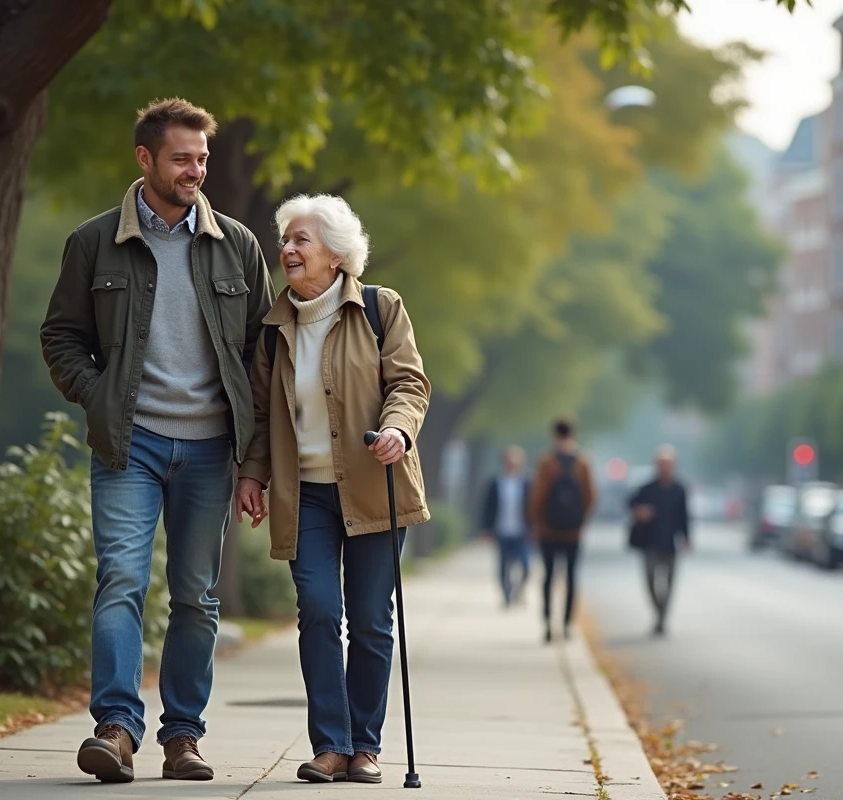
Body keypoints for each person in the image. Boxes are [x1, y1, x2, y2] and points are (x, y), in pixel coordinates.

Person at [40, 98, 275, 783]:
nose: (195, 170)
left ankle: (183, 738)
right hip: (129, 444)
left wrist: (254, 460)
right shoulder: (94, 242)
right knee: (120, 580)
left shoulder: (238, 245)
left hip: (210, 450)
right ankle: (115, 730)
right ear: (145, 159)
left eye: (201, 158)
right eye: (181, 159)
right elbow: (61, 336)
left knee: (197, 596)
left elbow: (263, 355)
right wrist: (100, 396)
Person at [235, 193, 431, 785]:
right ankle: (331, 745)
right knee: (319, 611)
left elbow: (409, 383)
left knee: (370, 620)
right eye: (285, 239)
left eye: (302, 239)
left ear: (336, 254)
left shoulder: (379, 309)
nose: (287, 249)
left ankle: (365, 747)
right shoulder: (274, 329)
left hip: (375, 488)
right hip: (307, 496)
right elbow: (262, 413)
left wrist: (397, 429)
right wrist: (252, 474)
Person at [529, 419, 596, 642]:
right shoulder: (583, 462)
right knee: (571, 576)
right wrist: (581, 520)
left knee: (548, 576)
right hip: (573, 532)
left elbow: (537, 495)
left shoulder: (546, 461)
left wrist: (537, 523)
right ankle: (567, 624)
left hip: (548, 530)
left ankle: (548, 621)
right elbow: (591, 496)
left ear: (554, 434)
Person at [627, 444, 690, 637]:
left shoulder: (679, 489)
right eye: (662, 463)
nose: (665, 467)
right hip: (649, 542)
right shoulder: (647, 489)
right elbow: (630, 503)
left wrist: (686, 538)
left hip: (670, 543)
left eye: (668, 464)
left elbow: (684, 516)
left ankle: (662, 619)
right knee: (650, 580)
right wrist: (640, 511)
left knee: (669, 584)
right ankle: (658, 612)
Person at [479, 446, 533, 607]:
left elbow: (533, 507)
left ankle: (518, 591)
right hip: (501, 531)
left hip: (522, 531)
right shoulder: (495, 483)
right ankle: (507, 595)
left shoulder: (527, 484)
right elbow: (487, 507)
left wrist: (535, 528)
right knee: (504, 566)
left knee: (525, 566)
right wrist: (485, 528)